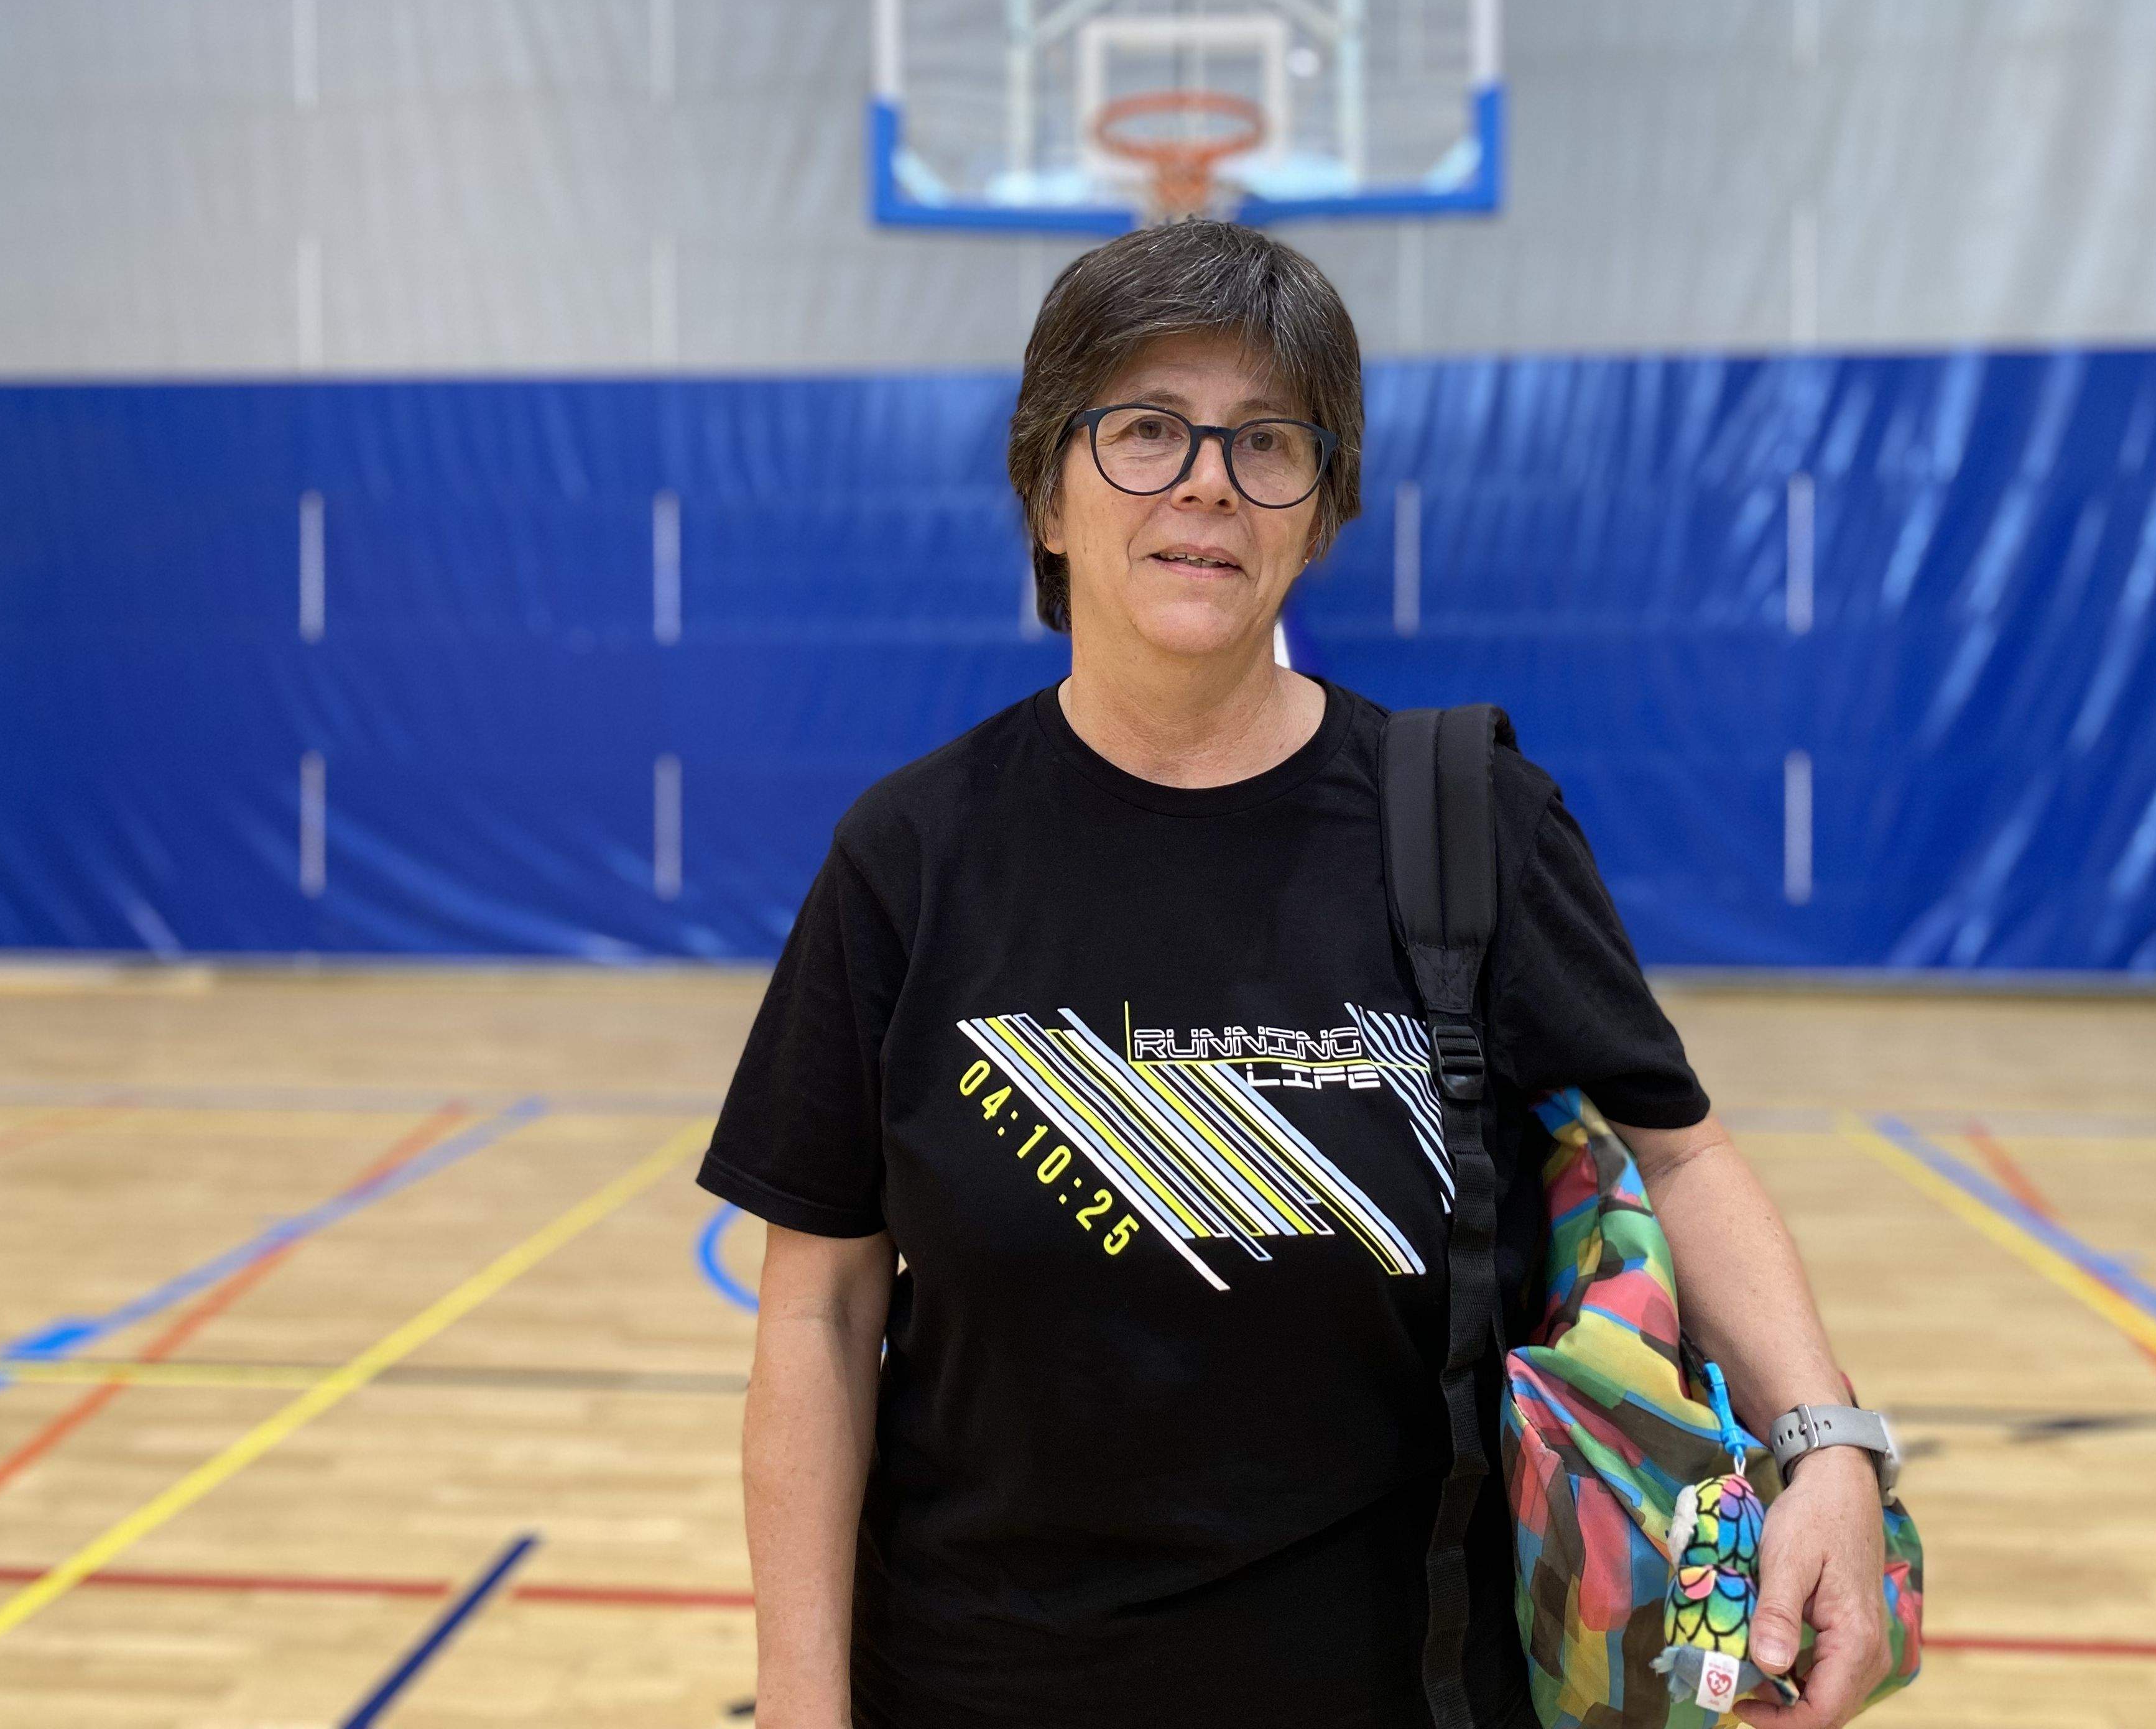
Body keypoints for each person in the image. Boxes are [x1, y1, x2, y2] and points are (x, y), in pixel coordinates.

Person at [698, 221, 1891, 1729]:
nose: (1206, 478)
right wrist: (803, 1707)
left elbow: (1683, 1151)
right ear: (1045, 496)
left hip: (1409, 1683)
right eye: (1143, 430)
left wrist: (1832, 1446)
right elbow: (814, 1317)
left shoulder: (1467, 824)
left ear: (1320, 515)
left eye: (1267, 441)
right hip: (982, 1680)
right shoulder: (912, 857)